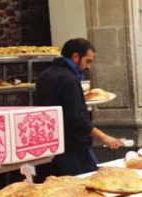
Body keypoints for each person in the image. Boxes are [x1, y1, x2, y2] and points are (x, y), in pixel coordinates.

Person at [35, 38, 122, 178]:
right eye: (87, 61)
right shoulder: (69, 79)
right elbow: (75, 117)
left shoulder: (44, 75)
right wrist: (104, 137)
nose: (89, 66)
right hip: (73, 148)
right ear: (76, 57)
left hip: (50, 146)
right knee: (86, 184)